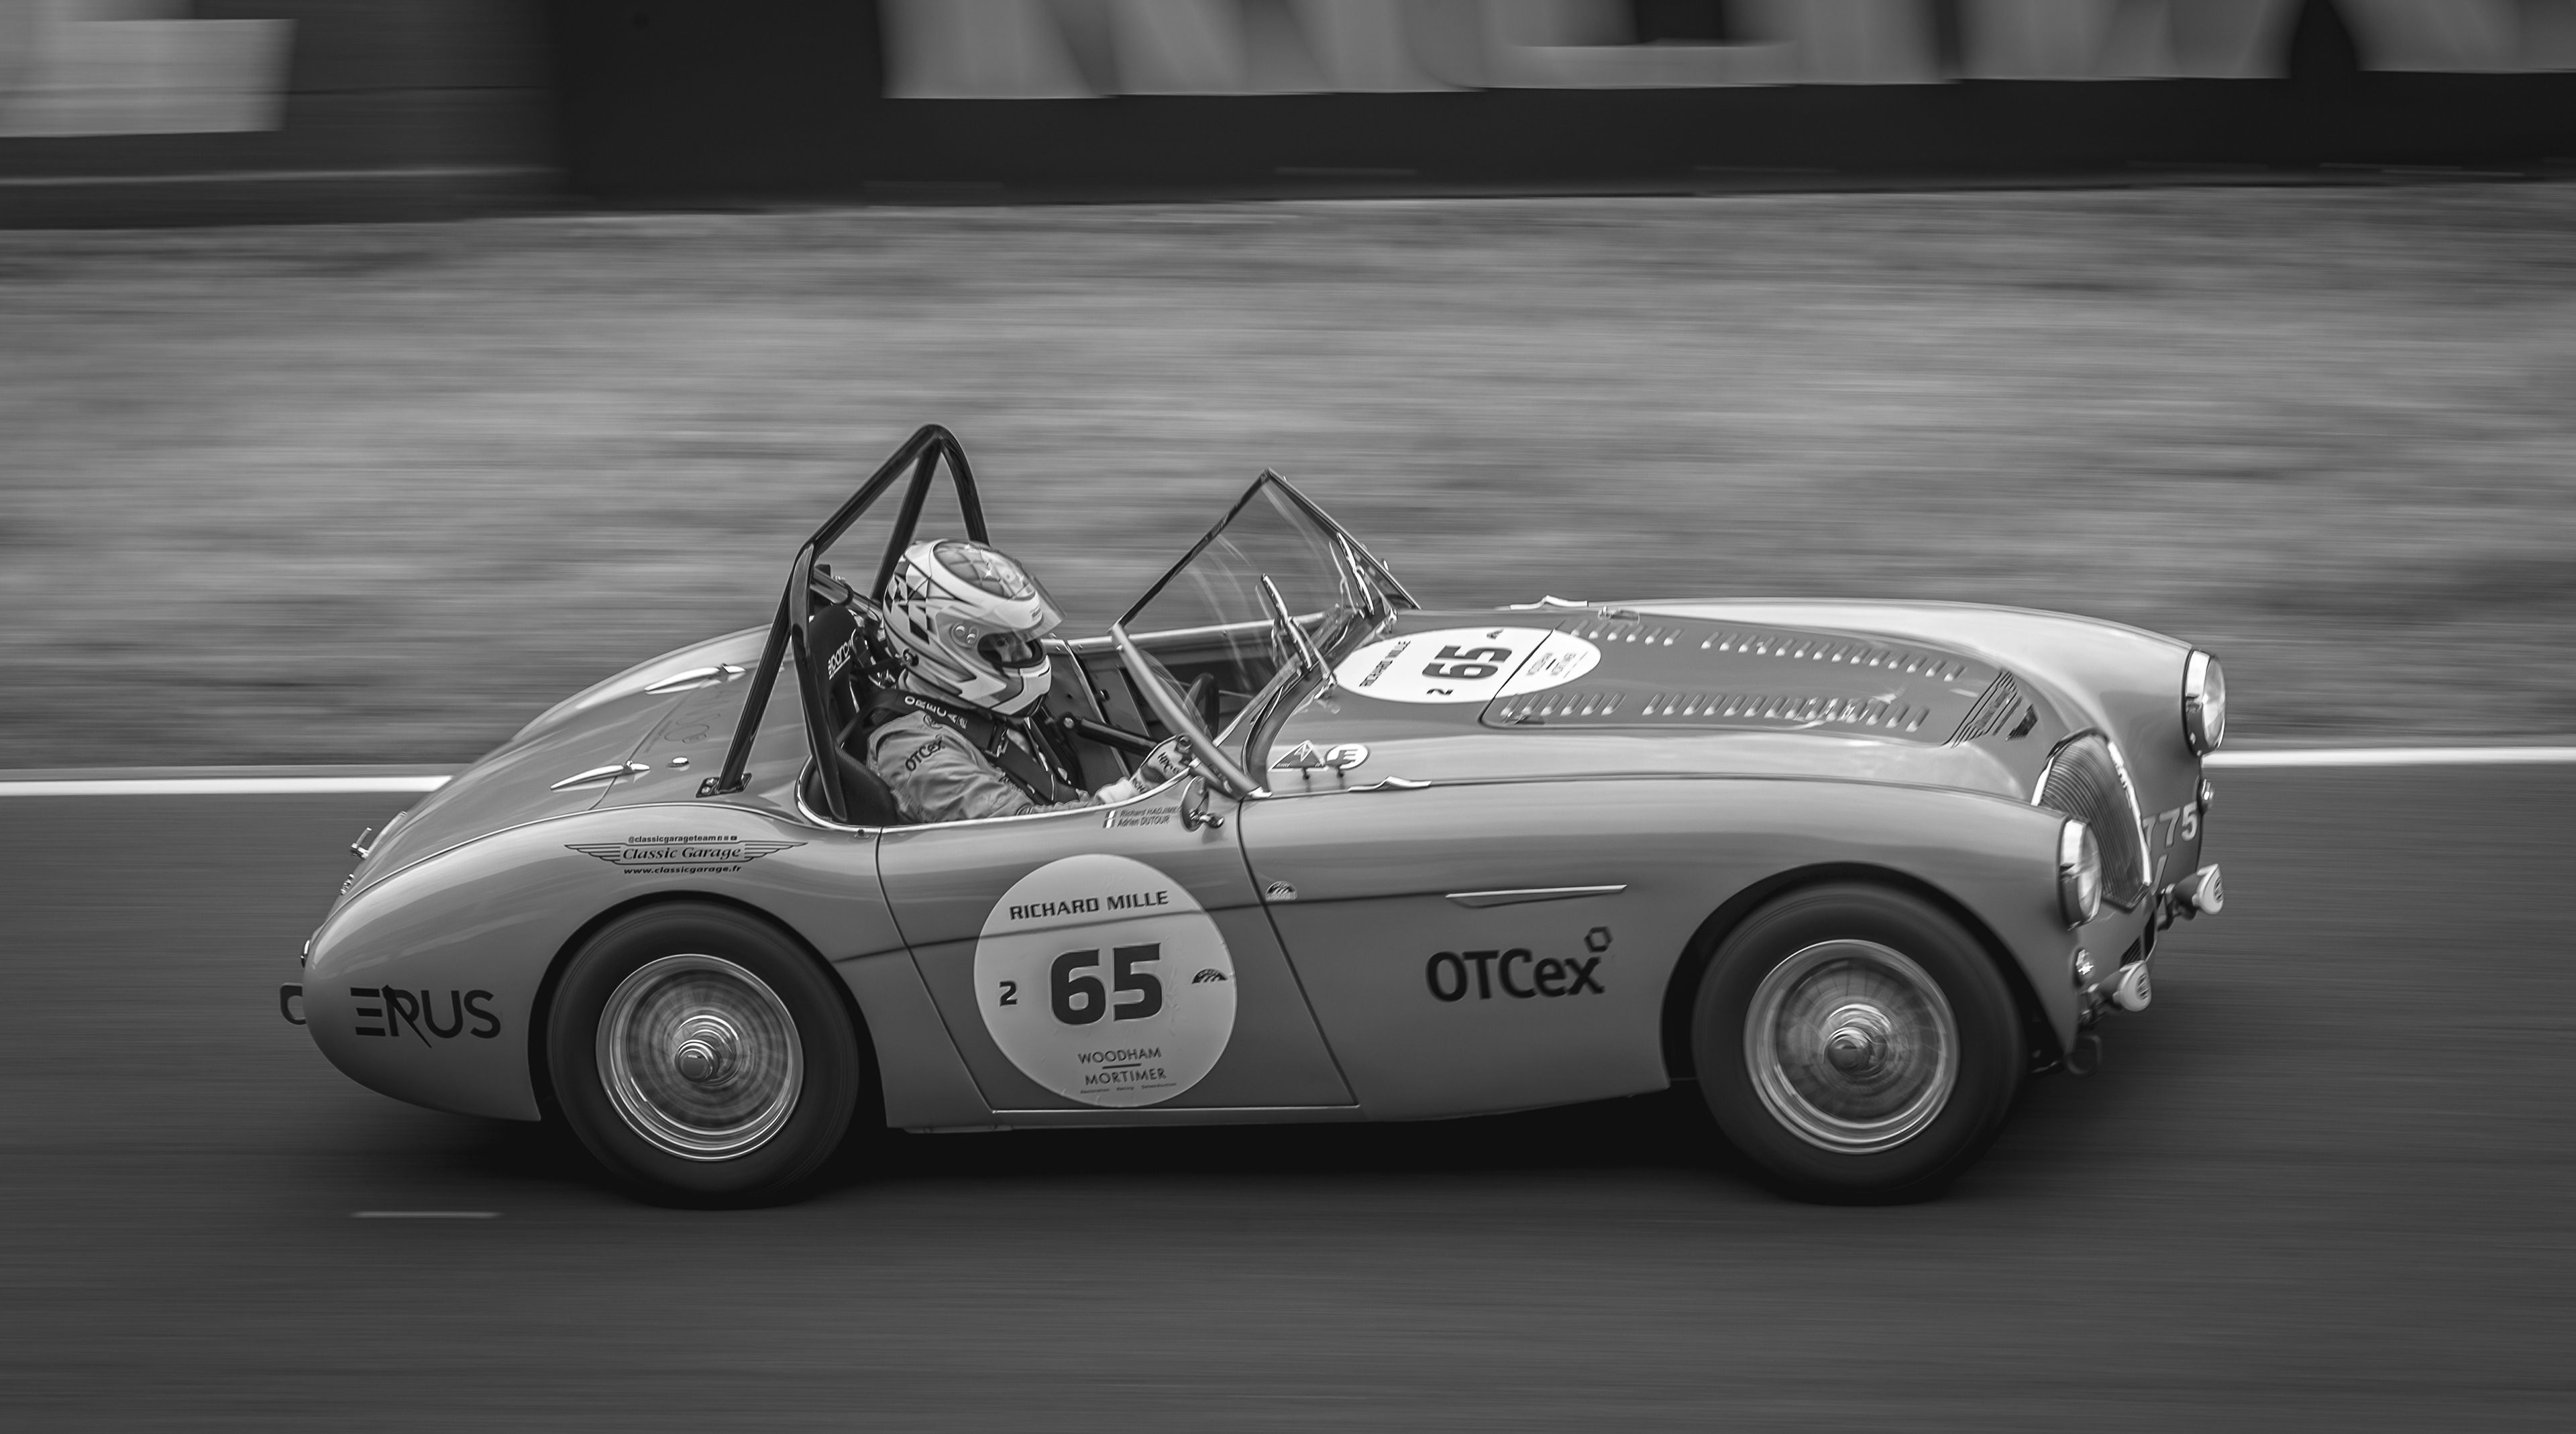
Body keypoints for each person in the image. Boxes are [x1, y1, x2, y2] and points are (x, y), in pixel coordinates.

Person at [866, 538, 1182, 823]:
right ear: (948, 648)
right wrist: (1135, 792)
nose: (1022, 651)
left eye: (1023, 637)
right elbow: (1020, 830)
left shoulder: (979, 703)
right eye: (1002, 641)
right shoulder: (912, 751)